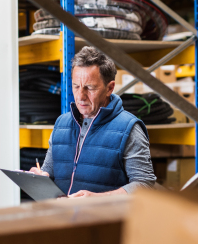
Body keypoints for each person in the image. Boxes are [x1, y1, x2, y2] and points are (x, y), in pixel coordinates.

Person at [29, 46, 156, 197]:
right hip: (63, 218)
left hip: (103, 220)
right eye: (76, 86)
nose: (80, 96)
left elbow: (145, 184)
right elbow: (49, 170)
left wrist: (98, 199)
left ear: (110, 88)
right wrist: (40, 176)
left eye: (89, 88)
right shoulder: (61, 124)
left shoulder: (128, 128)